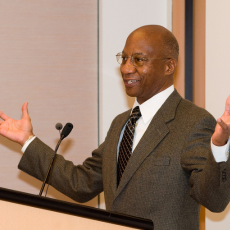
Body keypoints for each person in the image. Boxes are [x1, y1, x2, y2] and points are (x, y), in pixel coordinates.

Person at [0, 25, 230, 230]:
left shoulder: (193, 121)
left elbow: (215, 200)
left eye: (138, 60)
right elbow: (81, 183)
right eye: (124, 58)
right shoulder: (121, 123)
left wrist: (219, 147)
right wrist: (27, 140)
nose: (126, 68)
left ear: (169, 66)